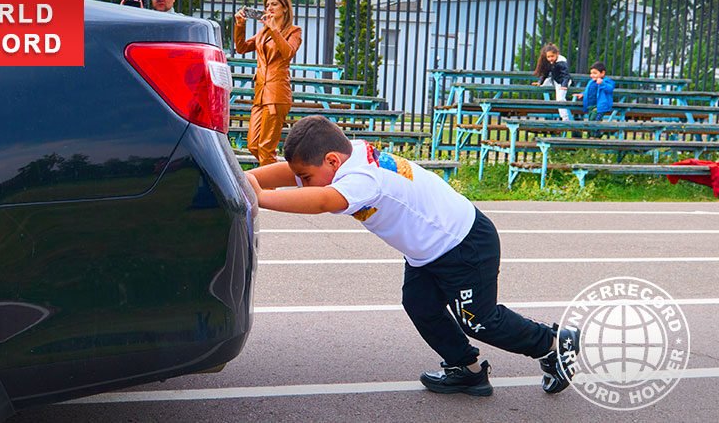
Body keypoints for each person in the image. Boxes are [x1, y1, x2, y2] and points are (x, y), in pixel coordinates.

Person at [245, 115, 581, 396]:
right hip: (430, 251)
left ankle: (553, 343)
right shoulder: (350, 154)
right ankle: (467, 368)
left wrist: (260, 198)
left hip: (463, 244)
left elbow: (321, 201)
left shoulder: (363, 178)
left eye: (306, 178)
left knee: (479, 320)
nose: (302, 184)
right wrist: (244, 180)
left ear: (333, 161)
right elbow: (290, 171)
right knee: (419, 304)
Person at [234, 0, 302, 166]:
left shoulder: (294, 31)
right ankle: (273, 177)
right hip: (260, 94)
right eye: (267, 5)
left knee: (266, 147)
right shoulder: (263, 32)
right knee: (253, 145)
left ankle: (267, 190)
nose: (269, 8)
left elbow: (287, 53)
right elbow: (241, 48)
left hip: (277, 94)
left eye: (274, 4)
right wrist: (240, 25)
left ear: (285, 8)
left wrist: (274, 29)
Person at [532, 43, 572, 121]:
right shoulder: (550, 62)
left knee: (560, 99)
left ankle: (565, 118)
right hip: (554, 80)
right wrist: (540, 82)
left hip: (562, 82)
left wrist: (564, 85)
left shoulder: (561, 63)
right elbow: (545, 73)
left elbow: (566, 75)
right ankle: (541, 84)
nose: (550, 58)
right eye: (548, 57)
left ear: (557, 54)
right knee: (543, 85)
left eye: (552, 56)